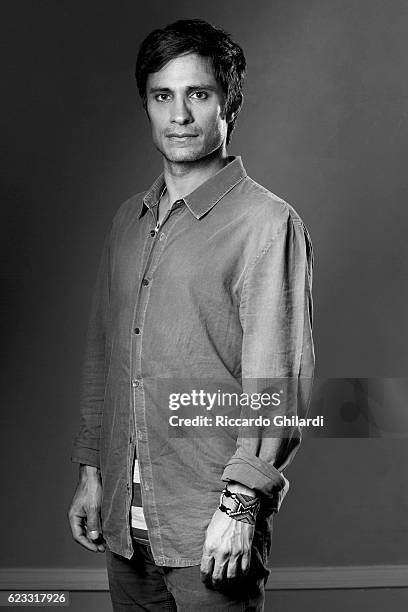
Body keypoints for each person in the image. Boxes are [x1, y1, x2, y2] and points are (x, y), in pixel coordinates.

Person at [68, 18, 315, 611]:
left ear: (228, 104)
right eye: (162, 96)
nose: (178, 115)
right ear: (147, 106)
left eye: (197, 95)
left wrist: (241, 507)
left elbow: (278, 386)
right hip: (126, 533)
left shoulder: (267, 224)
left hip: (210, 530)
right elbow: (106, 353)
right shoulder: (128, 219)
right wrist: (92, 473)